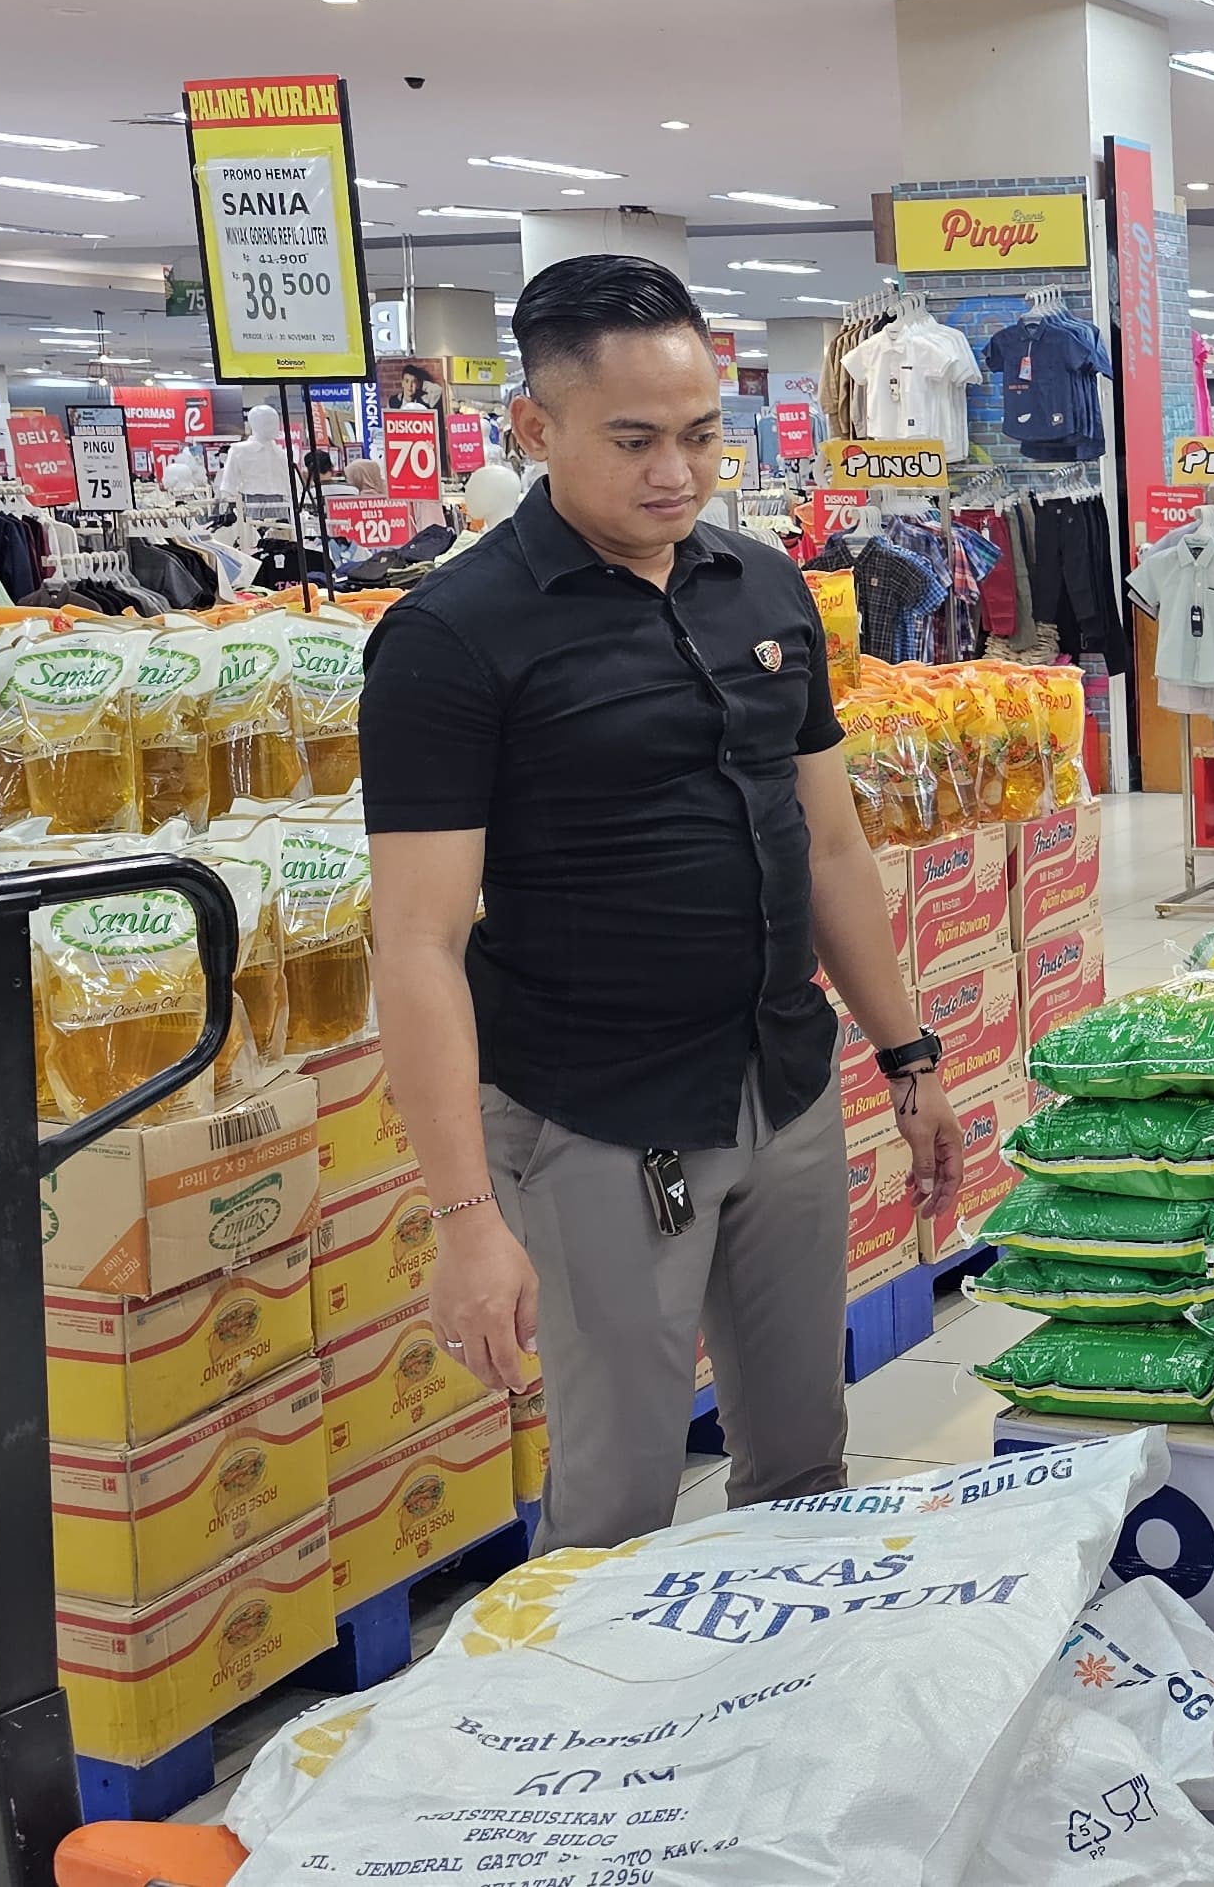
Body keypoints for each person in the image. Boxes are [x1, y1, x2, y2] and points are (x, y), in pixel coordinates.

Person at [363, 253, 953, 1552]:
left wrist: (908, 1054)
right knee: (617, 1502)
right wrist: (465, 1220)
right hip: (601, 1116)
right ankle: (581, 1688)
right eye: (634, 441)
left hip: (782, 1081)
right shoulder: (453, 637)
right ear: (534, 428)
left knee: (804, 1462)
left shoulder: (765, 586)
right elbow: (414, 943)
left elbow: (830, 845)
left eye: (699, 434)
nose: (676, 473)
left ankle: (782, 1673)